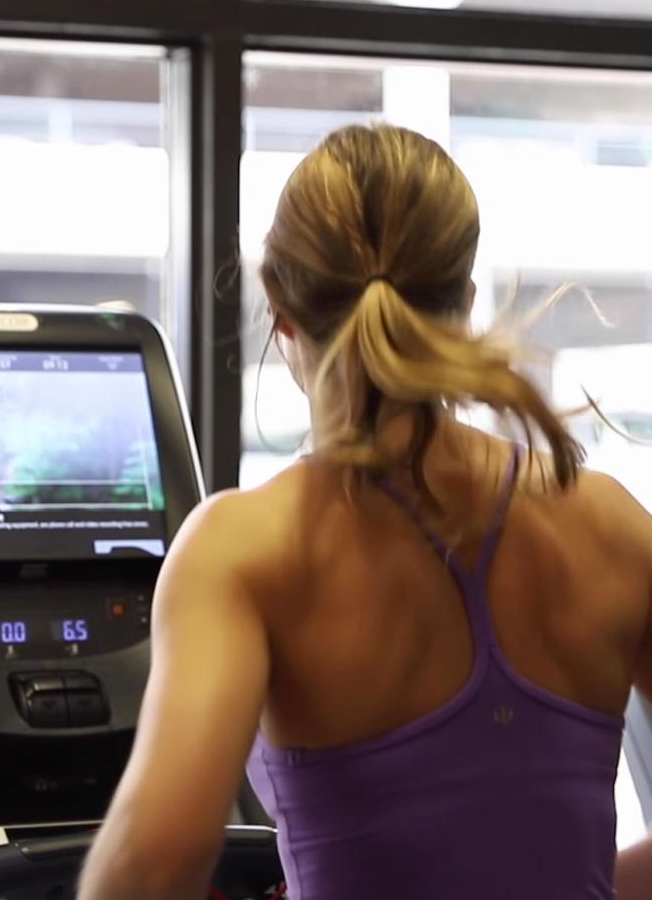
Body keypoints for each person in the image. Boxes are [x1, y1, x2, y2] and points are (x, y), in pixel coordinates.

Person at [77, 124, 652, 900]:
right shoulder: (613, 524)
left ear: (280, 310)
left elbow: (150, 873)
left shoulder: (246, 550)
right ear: (465, 300)